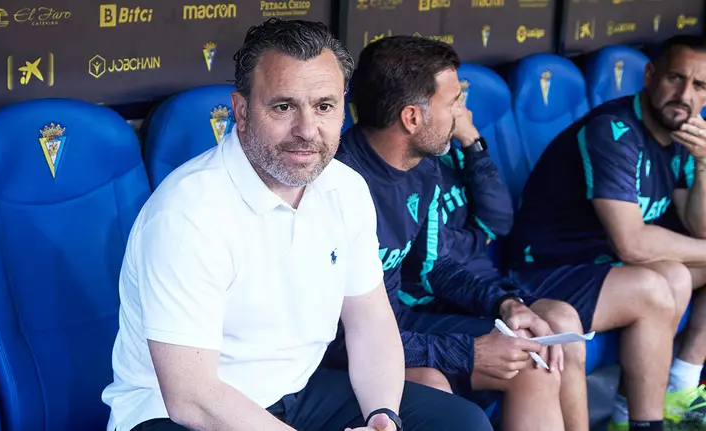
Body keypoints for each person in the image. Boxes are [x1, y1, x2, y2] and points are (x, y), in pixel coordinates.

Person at [101, 18, 493, 431]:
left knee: (460, 422)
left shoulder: (345, 188)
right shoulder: (188, 213)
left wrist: (382, 416)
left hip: (296, 393)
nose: (307, 130)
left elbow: (370, 322)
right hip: (177, 415)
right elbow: (192, 397)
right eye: (283, 107)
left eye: (324, 106)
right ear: (241, 111)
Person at [328, 35, 585, 431]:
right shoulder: (334, 187)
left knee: (533, 360)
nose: (460, 115)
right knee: (434, 388)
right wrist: (468, 352)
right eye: (452, 104)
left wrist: (505, 304)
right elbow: (337, 338)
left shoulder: (424, 167)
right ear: (412, 118)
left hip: (400, 326)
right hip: (348, 348)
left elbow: (434, 266)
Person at [505, 35, 706, 431]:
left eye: (699, 85)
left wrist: (703, 164)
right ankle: (645, 423)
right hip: (545, 268)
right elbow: (632, 244)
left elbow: (698, 225)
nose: (684, 95)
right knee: (655, 287)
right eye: (675, 78)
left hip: (601, 267)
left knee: (676, 274)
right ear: (650, 76)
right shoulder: (613, 130)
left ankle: (669, 394)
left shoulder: (685, 134)